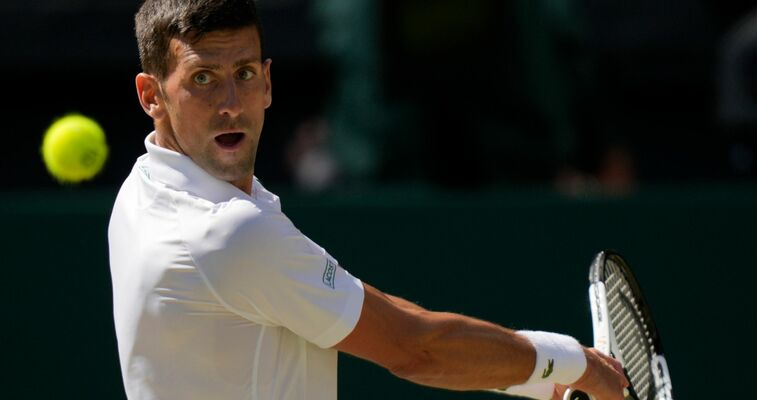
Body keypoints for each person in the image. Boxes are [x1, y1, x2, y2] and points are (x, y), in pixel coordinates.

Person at [107, 1, 628, 399]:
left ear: (267, 83)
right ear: (151, 96)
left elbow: (365, 303)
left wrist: (535, 379)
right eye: (203, 79)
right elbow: (415, 347)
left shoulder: (142, 190)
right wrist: (576, 364)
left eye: (243, 74)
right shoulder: (227, 233)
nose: (230, 104)